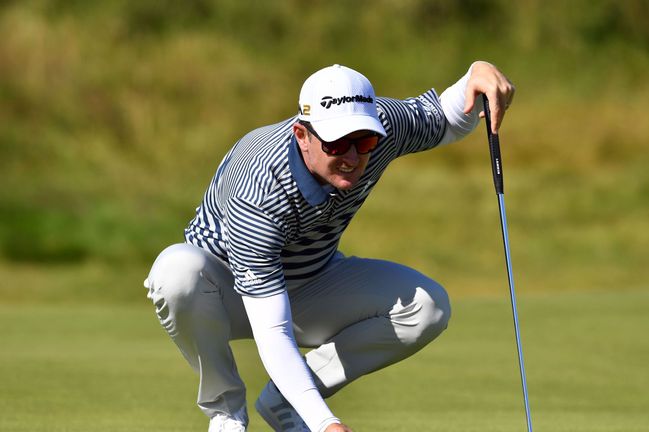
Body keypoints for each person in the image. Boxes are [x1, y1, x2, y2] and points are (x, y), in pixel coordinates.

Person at [144, 61, 514, 432]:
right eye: (336, 143)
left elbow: (444, 118)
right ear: (302, 134)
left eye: (363, 141)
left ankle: (285, 404)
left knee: (427, 306)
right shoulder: (258, 184)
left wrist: (475, 77)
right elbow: (273, 330)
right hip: (223, 294)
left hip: (312, 282)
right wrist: (325, 423)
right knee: (176, 272)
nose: (353, 157)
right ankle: (226, 414)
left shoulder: (384, 126)